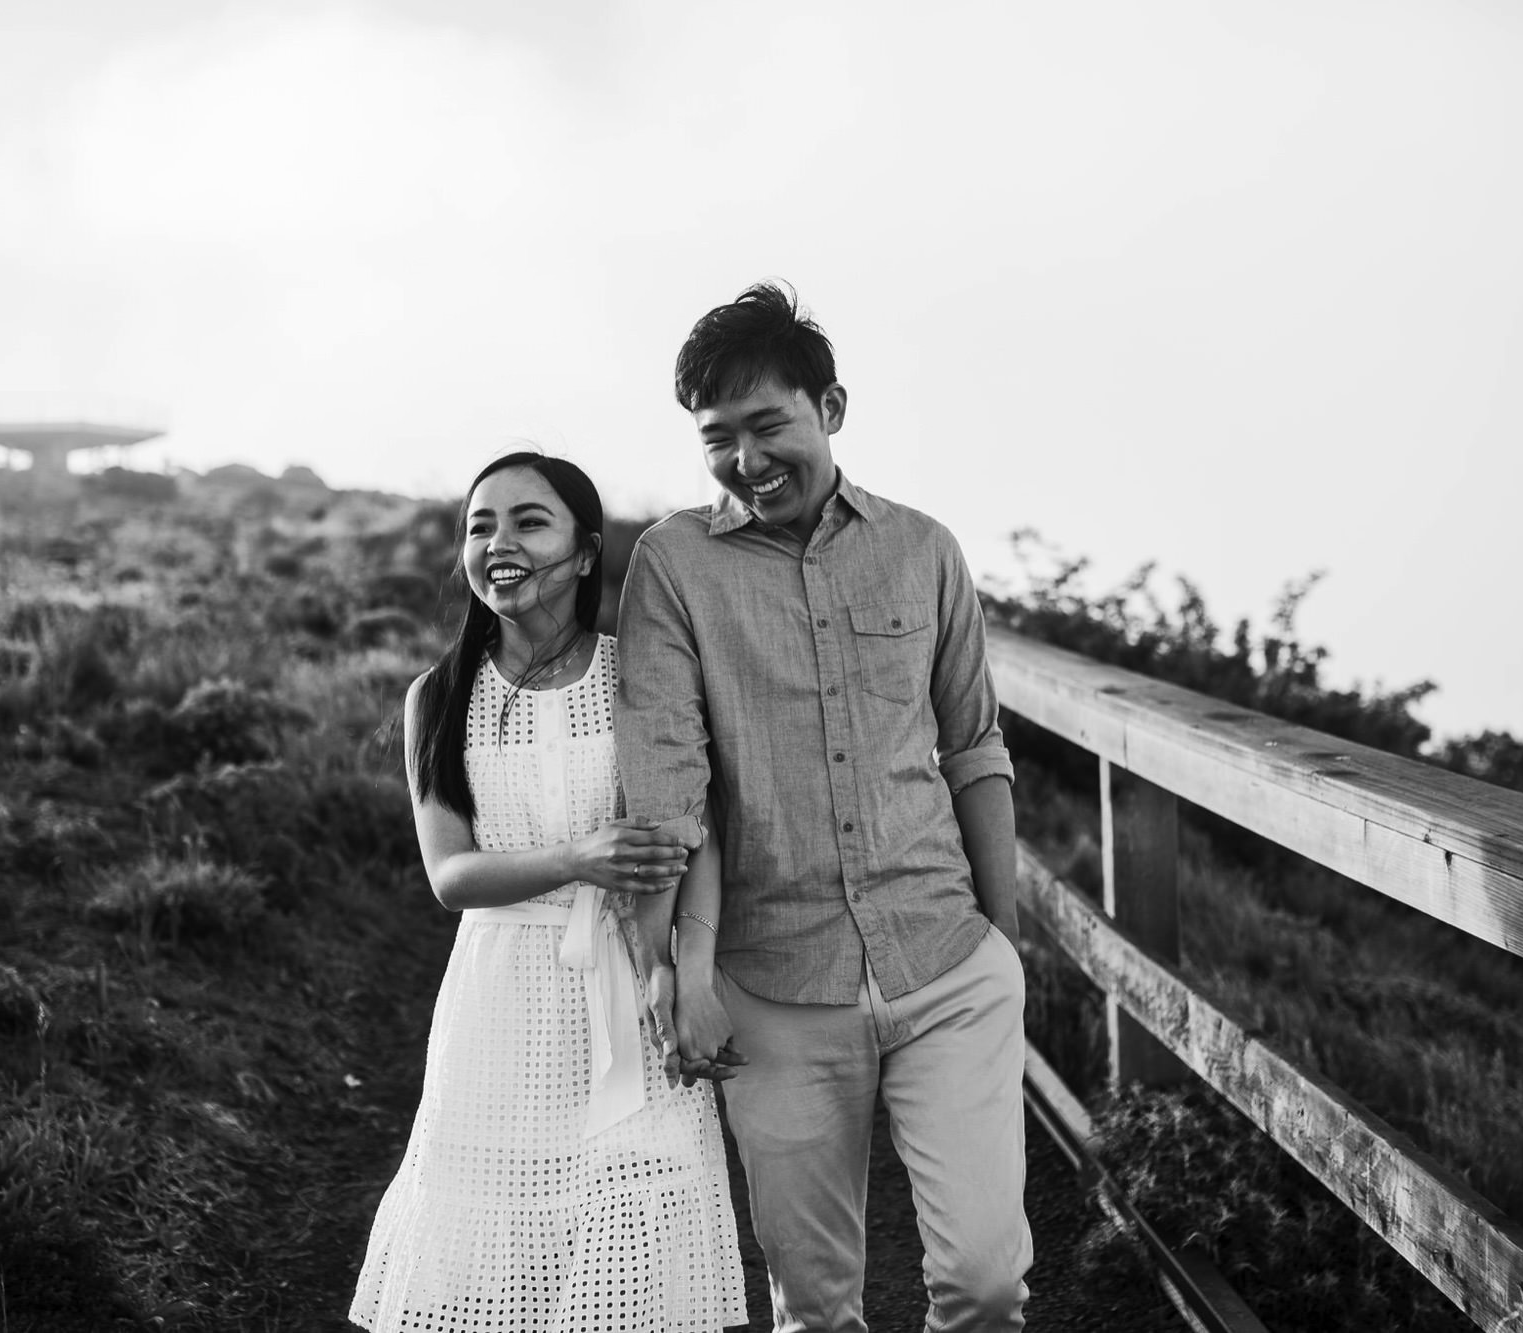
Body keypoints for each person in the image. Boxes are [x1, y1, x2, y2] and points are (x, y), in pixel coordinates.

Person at [617, 282, 1033, 1332]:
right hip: (773, 990)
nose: (746, 460)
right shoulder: (672, 566)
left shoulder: (924, 548)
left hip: (944, 961)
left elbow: (973, 745)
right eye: (718, 438)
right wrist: (671, 972)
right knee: (814, 1309)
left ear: (830, 410)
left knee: (984, 1285)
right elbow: (665, 787)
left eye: (768, 426)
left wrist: (1005, 941)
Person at [350, 451, 747, 1333]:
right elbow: (451, 876)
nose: (499, 542)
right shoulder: (439, 695)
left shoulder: (640, 674)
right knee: (498, 1263)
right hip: (502, 1001)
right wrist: (580, 857)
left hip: (631, 982)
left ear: (582, 552)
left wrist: (691, 972)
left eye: (530, 521)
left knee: (634, 1234)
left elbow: (696, 830)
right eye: (480, 524)